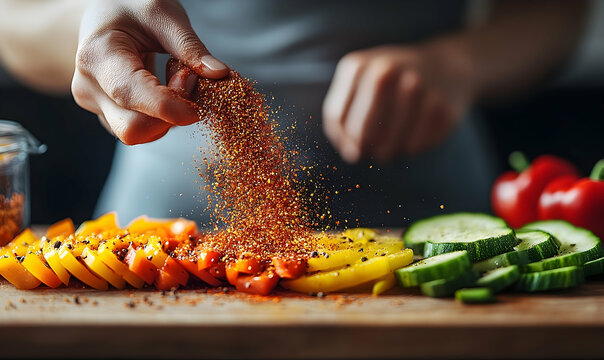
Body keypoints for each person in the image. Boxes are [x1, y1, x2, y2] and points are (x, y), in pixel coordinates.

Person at [0, 0, 588, 227]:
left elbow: (557, 13)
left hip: (429, 233)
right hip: (167, 235)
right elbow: (15, 19)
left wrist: (460, 63)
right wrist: (91, 27)